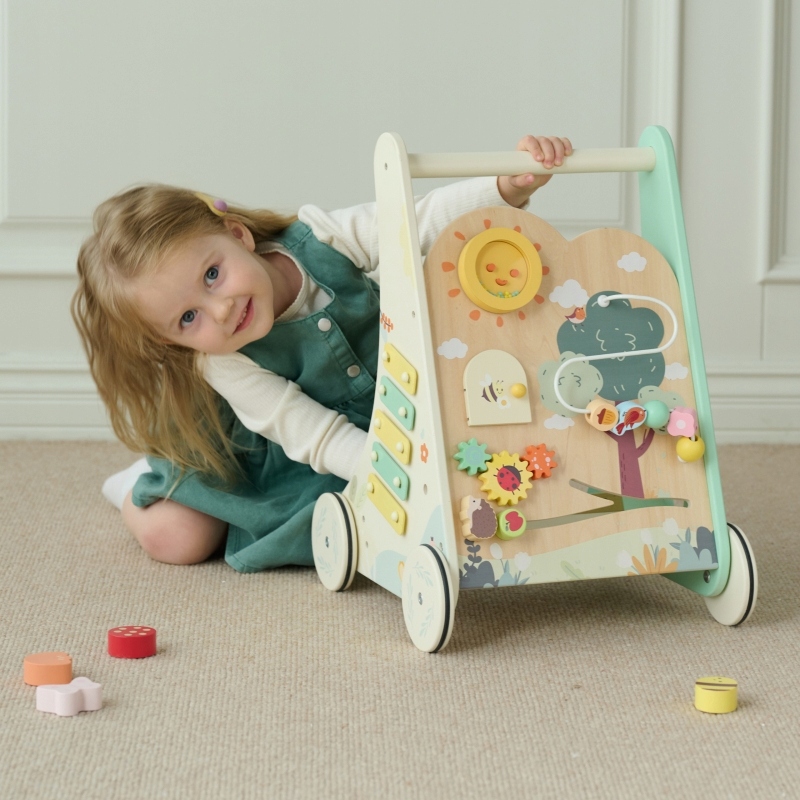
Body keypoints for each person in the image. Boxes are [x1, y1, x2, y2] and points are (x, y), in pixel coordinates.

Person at [74, 134, 573, 572]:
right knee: (181, 539)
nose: (221, 310)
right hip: (299, 449)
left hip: (398, 405)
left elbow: (414, 222)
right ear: (172, 341)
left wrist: (506, 188)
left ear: (237, 235)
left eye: (212, 275)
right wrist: (399, 477)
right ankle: (138, 485)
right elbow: (317, 436)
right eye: (188, 318)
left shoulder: (323, 238)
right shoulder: (224, 362)